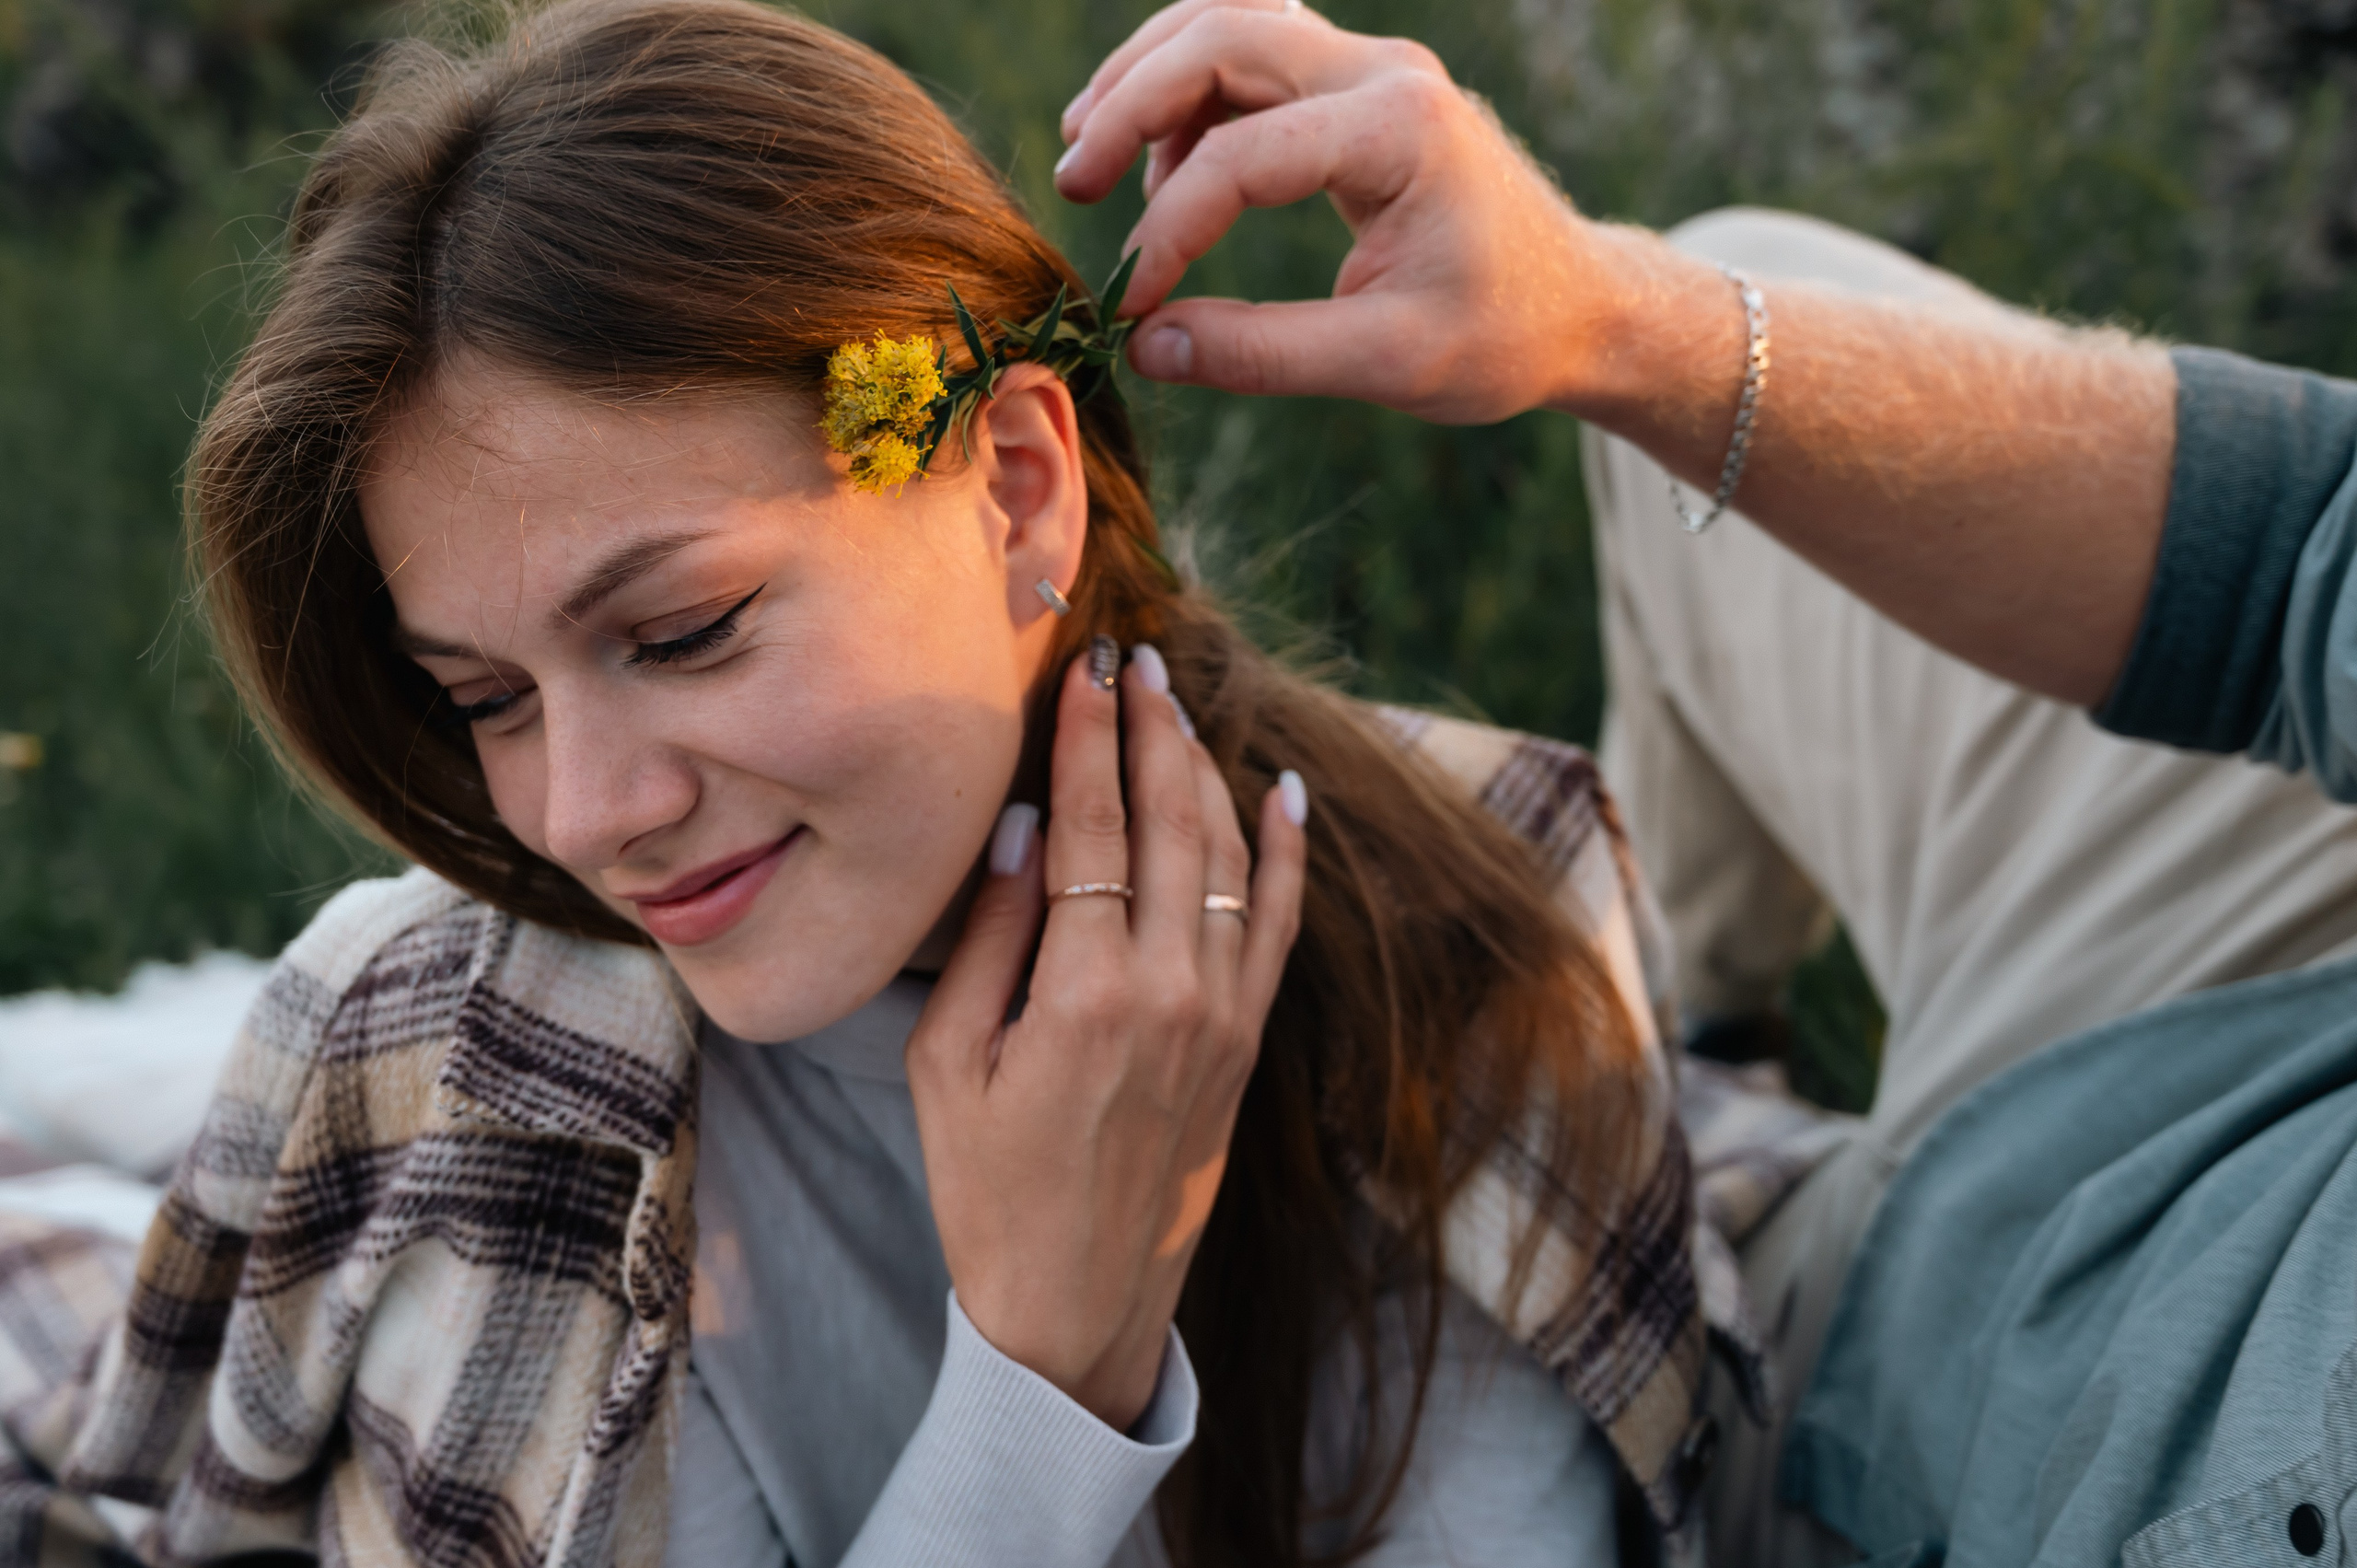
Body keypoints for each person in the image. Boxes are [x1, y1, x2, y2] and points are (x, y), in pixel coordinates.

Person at [0, 1, 1807, 1563]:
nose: (582, 814)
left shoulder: (1461, 910)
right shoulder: (484, 1087)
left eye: (686, 630)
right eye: (488, 699)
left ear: (1017, 485)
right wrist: (1043, 1375)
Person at [1053, 0, 2357, 1562]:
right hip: (2260, 1024)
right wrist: (1612, 320)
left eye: (710, 628)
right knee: (1724, 308)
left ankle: (1720, 1157)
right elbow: (2295, 554)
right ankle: (1698, 1041)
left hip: (1988, 1390)